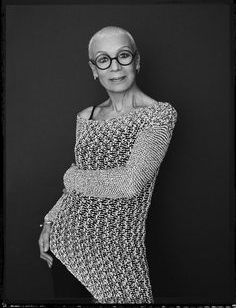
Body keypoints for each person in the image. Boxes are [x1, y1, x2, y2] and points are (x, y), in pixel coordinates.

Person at [38, 26, 178, 304]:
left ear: (137, 61)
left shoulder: (159, 114)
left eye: (123, 56)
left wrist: (70, 176)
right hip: (67, 242)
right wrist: (50, 219)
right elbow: (77, 186)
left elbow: (130, 183)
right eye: (104, 59)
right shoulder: (86, 116)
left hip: (119, 249)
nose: (115, 67)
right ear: (94, 69)